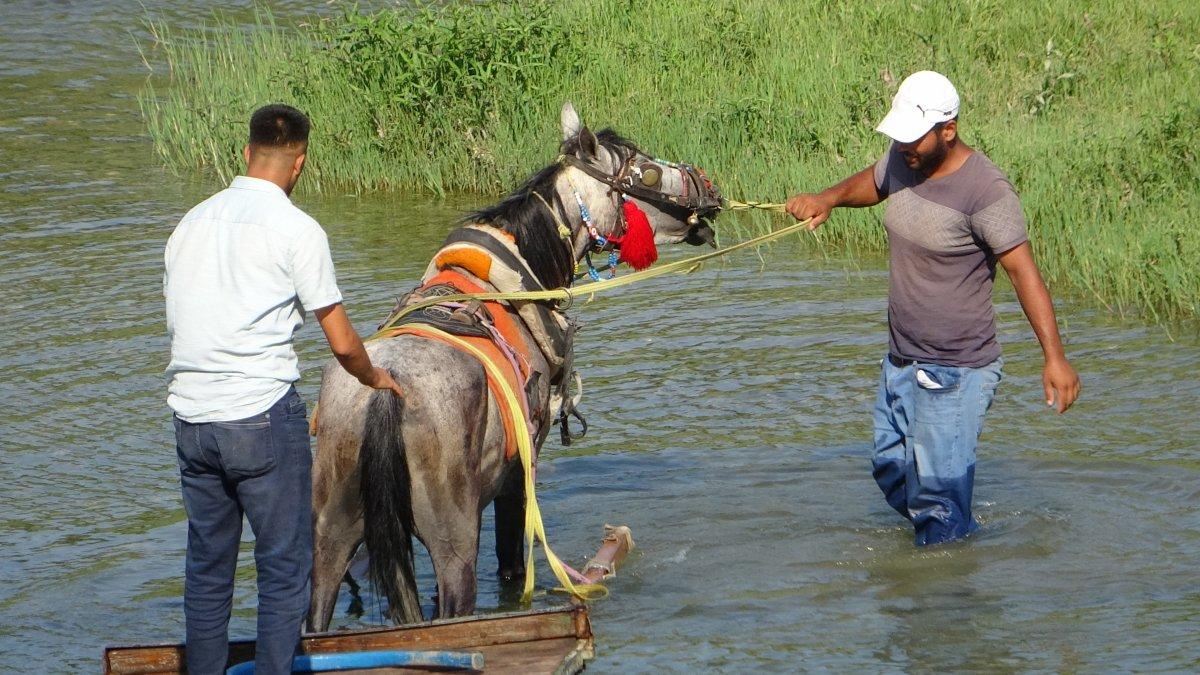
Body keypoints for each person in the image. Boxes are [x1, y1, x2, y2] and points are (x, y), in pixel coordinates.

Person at [785, 71, 1080, 546]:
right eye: (899, 138)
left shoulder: (986, 193)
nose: (904, 147)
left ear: (949, 129)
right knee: (890, 469)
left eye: (913, 138)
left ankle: (943, 592)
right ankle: (951, 536)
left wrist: (1054, 357)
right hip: (901, 359)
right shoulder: (905, 159)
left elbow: (1024, 273)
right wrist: (830, 199)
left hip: (956, 371)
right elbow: (875, 181)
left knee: (938, 501)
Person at [164, 104, 403, 674]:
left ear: (245, 155)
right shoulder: (298, 231)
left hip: (192, 424)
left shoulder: (189, 223)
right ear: (300, 164)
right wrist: (378, 379)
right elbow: (343, 343)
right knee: (282, 571)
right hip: (261, 423)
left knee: (207, 571)